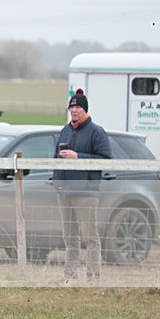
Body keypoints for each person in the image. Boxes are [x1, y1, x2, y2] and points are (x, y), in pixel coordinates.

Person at [53, 88, 112, 285]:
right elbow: (56, 159)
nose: (74, 110)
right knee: (69, 237)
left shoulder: (97, 132)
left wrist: (79, 157)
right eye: (71, 107)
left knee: (90, 237)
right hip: (65, 191)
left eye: (78, 107)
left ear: (85, 110)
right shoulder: (65, 130)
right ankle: (69, 276)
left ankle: (93, 277)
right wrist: (57, 182)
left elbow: (105, 160)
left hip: (86, 192)